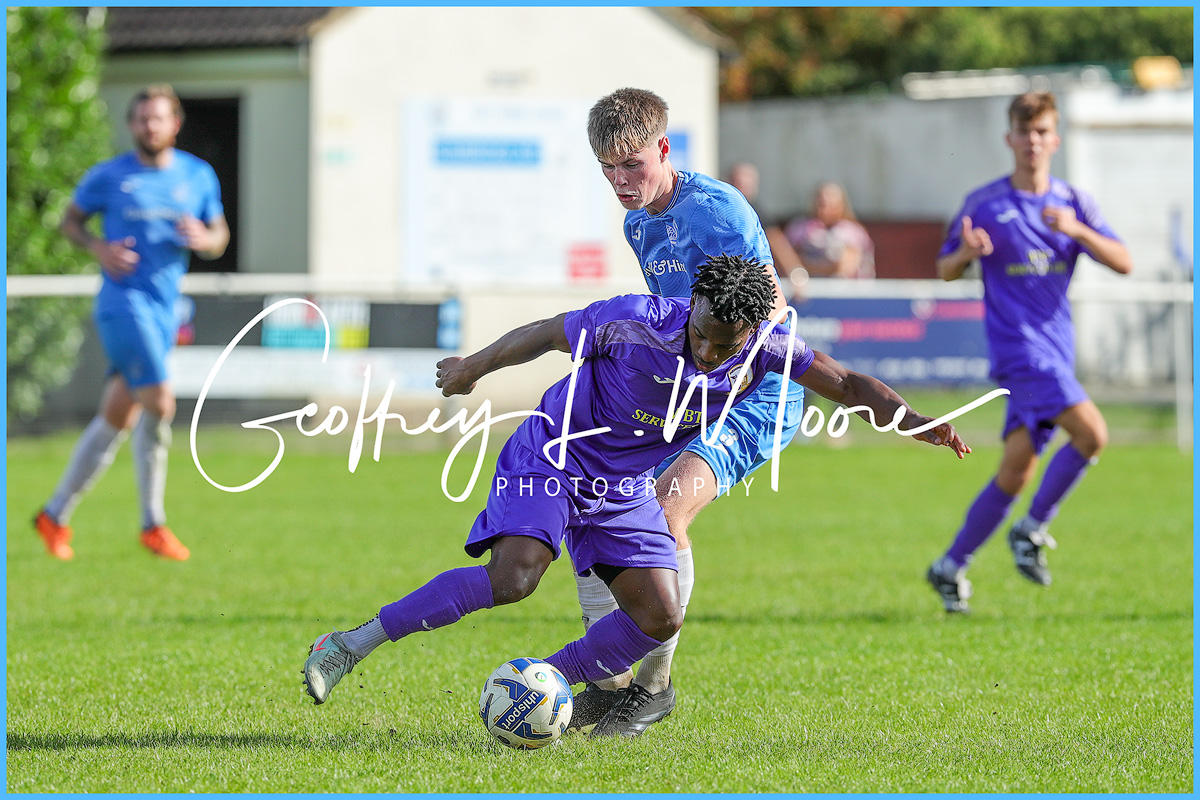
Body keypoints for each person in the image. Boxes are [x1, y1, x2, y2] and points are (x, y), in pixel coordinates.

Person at [301, 254, 969, 736]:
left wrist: (917, 421)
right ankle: (350, 644)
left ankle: (542, 686)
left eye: (723, 346)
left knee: (660, 617)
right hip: (556, 454)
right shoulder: (635, 321)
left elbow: (848, 385)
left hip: (621, 489)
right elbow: (545, 333)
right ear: (693, 308)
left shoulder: (765, 346)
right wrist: (473, 368)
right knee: (515, 578)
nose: (707, 353)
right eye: (701, 334)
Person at [570, 88, 808, 736]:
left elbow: (771, 310)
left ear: (664, 149)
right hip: (693, 391)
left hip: (759, 390)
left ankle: (651, 688)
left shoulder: (718, 212)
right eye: (607, 169)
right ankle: (610, 680)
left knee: (667, 511)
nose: (621, 181)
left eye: (632, 165)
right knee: (601, 503)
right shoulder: (638, 222)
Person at [925, 91, 1132, 613]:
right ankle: (1032, 528)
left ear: (1054, 140)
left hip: (1057, 352)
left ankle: (950, 566)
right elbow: (944, 268)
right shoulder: (985, 203)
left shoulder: (1073, 204)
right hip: (1020, 353)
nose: (1033, 142)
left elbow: (1124, 261)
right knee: (1093, 433)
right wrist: (967, 254)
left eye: (1042, 132)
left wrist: (1079, 231)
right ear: (1009, 138)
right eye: (1024, 132)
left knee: (1016, 470)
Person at [33, 84, 229, 561]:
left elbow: (220, 236)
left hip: (164, 310)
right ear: (131, 125)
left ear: (174, 124)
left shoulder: (197, 175)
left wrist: (205, 238)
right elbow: (70, 222)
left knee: (117, 417)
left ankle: (54, 514)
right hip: (122, 304)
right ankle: (152, 523)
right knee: (160, 403)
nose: (149, 126)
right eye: (141, 119)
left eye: (158, 118)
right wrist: (99, 247)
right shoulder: (110, 176)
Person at [782, 182, 875, 279]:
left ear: (841, 205)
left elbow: (846, 267)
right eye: (820, 203)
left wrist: (807, 266)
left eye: (829, 204)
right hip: (807, 289)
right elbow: (789, 261)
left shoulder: (853, 232)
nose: (823, 210)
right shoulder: (800, 228)